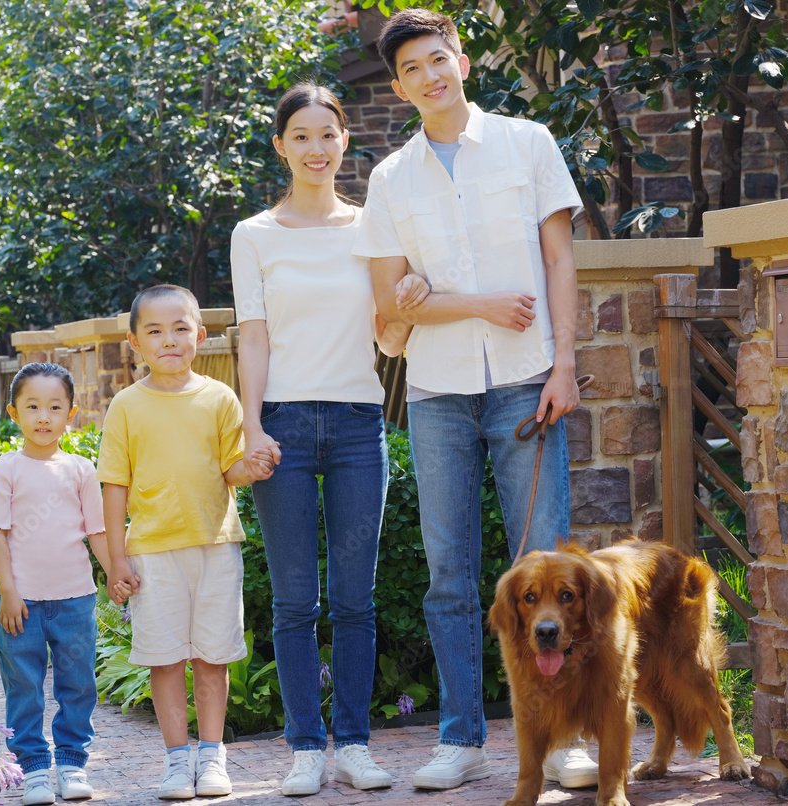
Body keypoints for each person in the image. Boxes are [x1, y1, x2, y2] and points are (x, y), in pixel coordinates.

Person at [353, 8, 597, 792]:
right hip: (436, 394)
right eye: (413, 69)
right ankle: (460, 738)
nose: (430, 75)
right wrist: (476, 302)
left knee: (550, 566)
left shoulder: (529, 145)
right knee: (450, 573)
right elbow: (391, 309)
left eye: (438, 58)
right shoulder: (390, 179)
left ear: (461, 60)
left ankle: (563, 738)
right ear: (398, 87)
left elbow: (560, 260)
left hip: (527, 382)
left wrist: (565, 364)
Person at [230, 82, 429, 797]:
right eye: (301, 136)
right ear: (280, 146)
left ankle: (353, 744)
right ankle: (304, 749)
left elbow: (387, 335)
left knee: (353, 598)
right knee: (292, 601)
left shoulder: (374, 227)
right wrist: (251, 424)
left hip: (354, 423)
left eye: (328, 134)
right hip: (281, 423)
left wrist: (405, 312)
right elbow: (253, 336)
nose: (317, 149)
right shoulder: (253, 235)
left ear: (346, 140)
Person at [97, 284, 274, 800]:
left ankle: (213, 757)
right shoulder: (126, 406)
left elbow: (231, 469)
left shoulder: (220, 397)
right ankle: (178, 762)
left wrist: (254, 465)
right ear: (135, 342)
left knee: (213, 657)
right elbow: (114, 486)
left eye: (180, 329)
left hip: (216, 546)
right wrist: (116, 558)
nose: (168, 339)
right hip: (152, 552)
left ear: (199, 335)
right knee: (165, 659)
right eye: (154, 330)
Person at [0, 362, 128, 804]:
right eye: (32, 407)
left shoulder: (81, 469)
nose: (43, 417)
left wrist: (114, 572)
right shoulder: (6, 468)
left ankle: (71, 763)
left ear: (72, 413)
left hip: (75, 601)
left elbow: (97, 530)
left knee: (78, 683)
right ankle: (32, 770)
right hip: (20, 604)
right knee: (24, 686)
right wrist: (9, 592)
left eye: (54, 407)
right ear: (14, 413)